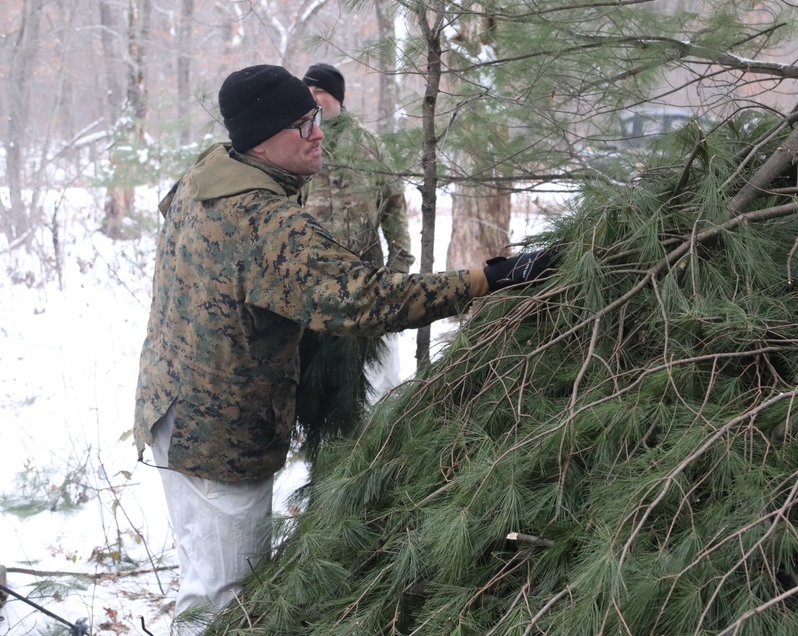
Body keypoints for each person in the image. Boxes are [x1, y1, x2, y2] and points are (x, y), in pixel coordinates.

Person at [132, 64, 555, 635]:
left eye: (316, 118)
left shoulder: (208, 173)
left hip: (172, 403)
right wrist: (489, 278)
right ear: (263, 135)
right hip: (217, 433)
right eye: (303, 123)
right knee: (221, 599)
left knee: (208, 576)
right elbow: (367, 303)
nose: (319, 132)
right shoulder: (265, 220)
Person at [301, 62, 411, 401]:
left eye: (320, 92)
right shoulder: (298, 145)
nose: (314, 99)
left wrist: (399, 268)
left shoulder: (369, 146)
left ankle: (377, 443)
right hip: (314, 284)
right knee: (318, 385)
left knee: (374, 380)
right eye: (308, 93)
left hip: (367, 282)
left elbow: (394, 207)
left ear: (337, 97)